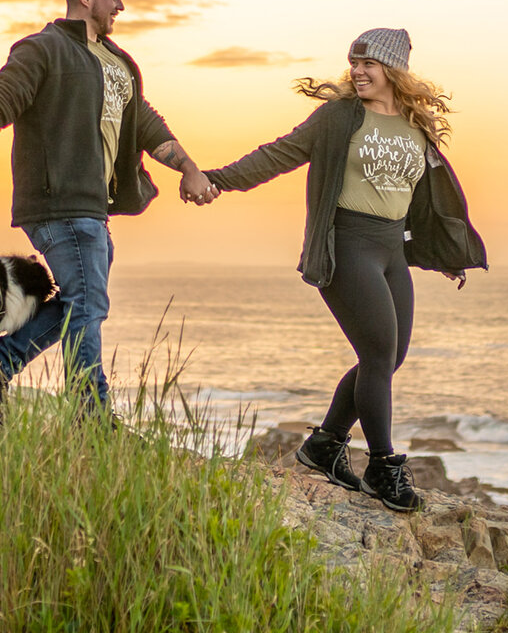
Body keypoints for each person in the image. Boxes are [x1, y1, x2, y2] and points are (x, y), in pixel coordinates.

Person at [203, 28, 485, 511]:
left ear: (393, 71)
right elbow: (278, 153)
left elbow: (425, 202)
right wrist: (216, 180)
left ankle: (325, 445)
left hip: (392, 251)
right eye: (353, 63)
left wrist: (445, 254)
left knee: (389, 358)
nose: (357, 71)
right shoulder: (338, 118)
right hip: (348, 246)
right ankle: (382, 467)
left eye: (368, 64)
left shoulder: (416, 126)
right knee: (377, 355)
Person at [0, 0, 214, 411]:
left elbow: (145, 123)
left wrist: (188, 167)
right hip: (57, 204)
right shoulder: (43, 50)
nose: (121, 6)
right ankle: (91, 412)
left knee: (81, 304)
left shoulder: (118, 63)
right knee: (87, 304)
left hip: (93, 207)